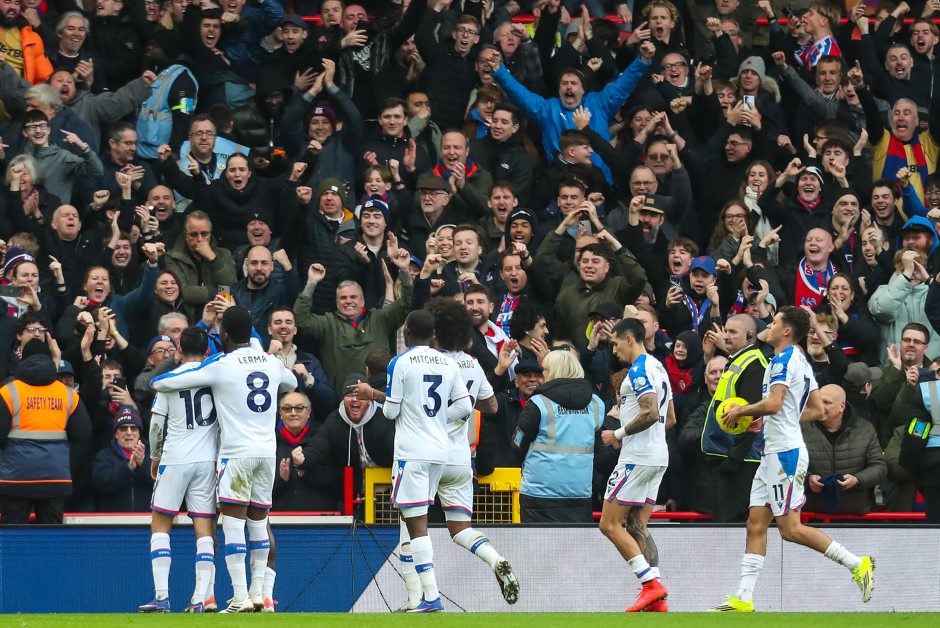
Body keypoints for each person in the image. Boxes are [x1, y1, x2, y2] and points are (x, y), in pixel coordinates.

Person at [709, 306, 874, 612]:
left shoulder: (784, 360)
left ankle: (857, 563)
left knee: (790, 529)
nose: (769, 327)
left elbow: (774, 403)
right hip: (773, 452)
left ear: (786, 331)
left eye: (773, 323)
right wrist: (772, 418)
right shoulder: (798, 360)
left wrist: (744, 411)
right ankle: (743, 597)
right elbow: (816, 410)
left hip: (784, 454)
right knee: (755, 523)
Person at [151, 307, 297, 613]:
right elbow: (292, 383)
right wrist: (260, 352)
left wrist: (160, 379)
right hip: (267, 453)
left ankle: (240, 597)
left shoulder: (221, 365)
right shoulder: (271, 363)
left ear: (225, 334)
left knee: (233, 525)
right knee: (259, 523)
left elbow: (164, 383)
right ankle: (260, 595)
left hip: (237, 454)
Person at [383, 309, 472, 613]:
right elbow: (465, 406)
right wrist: (437, 420)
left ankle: (431, 597)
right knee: (417, 520)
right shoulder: (448, 362)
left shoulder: (400, 362)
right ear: (433, 335)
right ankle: (423, 598)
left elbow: (391, 411)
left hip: (411, 452)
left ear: (406, 332)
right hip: (440, 452)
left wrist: (415, 417)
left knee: (416, 523)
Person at [139, 327, 220, 614]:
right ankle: (200, 599)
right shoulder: (216, 380)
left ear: (180, 351)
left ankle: (161, 597)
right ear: (207, 351)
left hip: (174, 458)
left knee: (161, 523)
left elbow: (156, 425)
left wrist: (155, 456)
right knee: (205, 529)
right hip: (207, 461)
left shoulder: (169, 381)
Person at [600, 317, 675, 613]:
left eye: (615, 343)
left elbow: (650, 412)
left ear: (629, 339)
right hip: (657, 456)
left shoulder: (640, 369)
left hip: (637, 458)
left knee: (609, 524)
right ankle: (658, 599)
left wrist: (619, 434)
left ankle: (650, 585)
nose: (614, 350)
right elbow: (670, 419)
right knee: (637, 525)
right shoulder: (659, 367)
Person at [0, 338, 91, 523]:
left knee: (14, 536)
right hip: (55, 478)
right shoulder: (68, 394)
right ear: (51, 359)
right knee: (52, 536)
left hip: (15, 479)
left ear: (22, 359)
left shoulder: (8, 392)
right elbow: (83, 434)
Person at [514, 349, 605, 523]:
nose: (543, 374)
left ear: (554, 371)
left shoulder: (539, 403)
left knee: (538, 539)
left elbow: (518, 442)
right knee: (575, 540)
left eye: (545, 370)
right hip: (580, 490)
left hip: (540, 491)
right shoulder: (596, 404)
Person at [802, 384, 885, 516]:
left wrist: (857, 480)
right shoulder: (801, 428)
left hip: (855, 513)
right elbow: (786, 464)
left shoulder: (865, 429)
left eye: (826, 402)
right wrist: (807, 479)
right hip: (810, 513)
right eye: (817, 401)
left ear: (841, 407)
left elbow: (879, 467)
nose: (820, 406)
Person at [90, 405, 153, 512]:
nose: (129, 432)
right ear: (116, 434)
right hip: (114, 520)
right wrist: (128, 467)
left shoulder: (153, 456)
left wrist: (142, 464)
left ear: (139, 433)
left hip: (148, 519)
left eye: (133, 428)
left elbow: (163, 485)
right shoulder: (103, 456)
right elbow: (102, 483)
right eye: (123, 428)